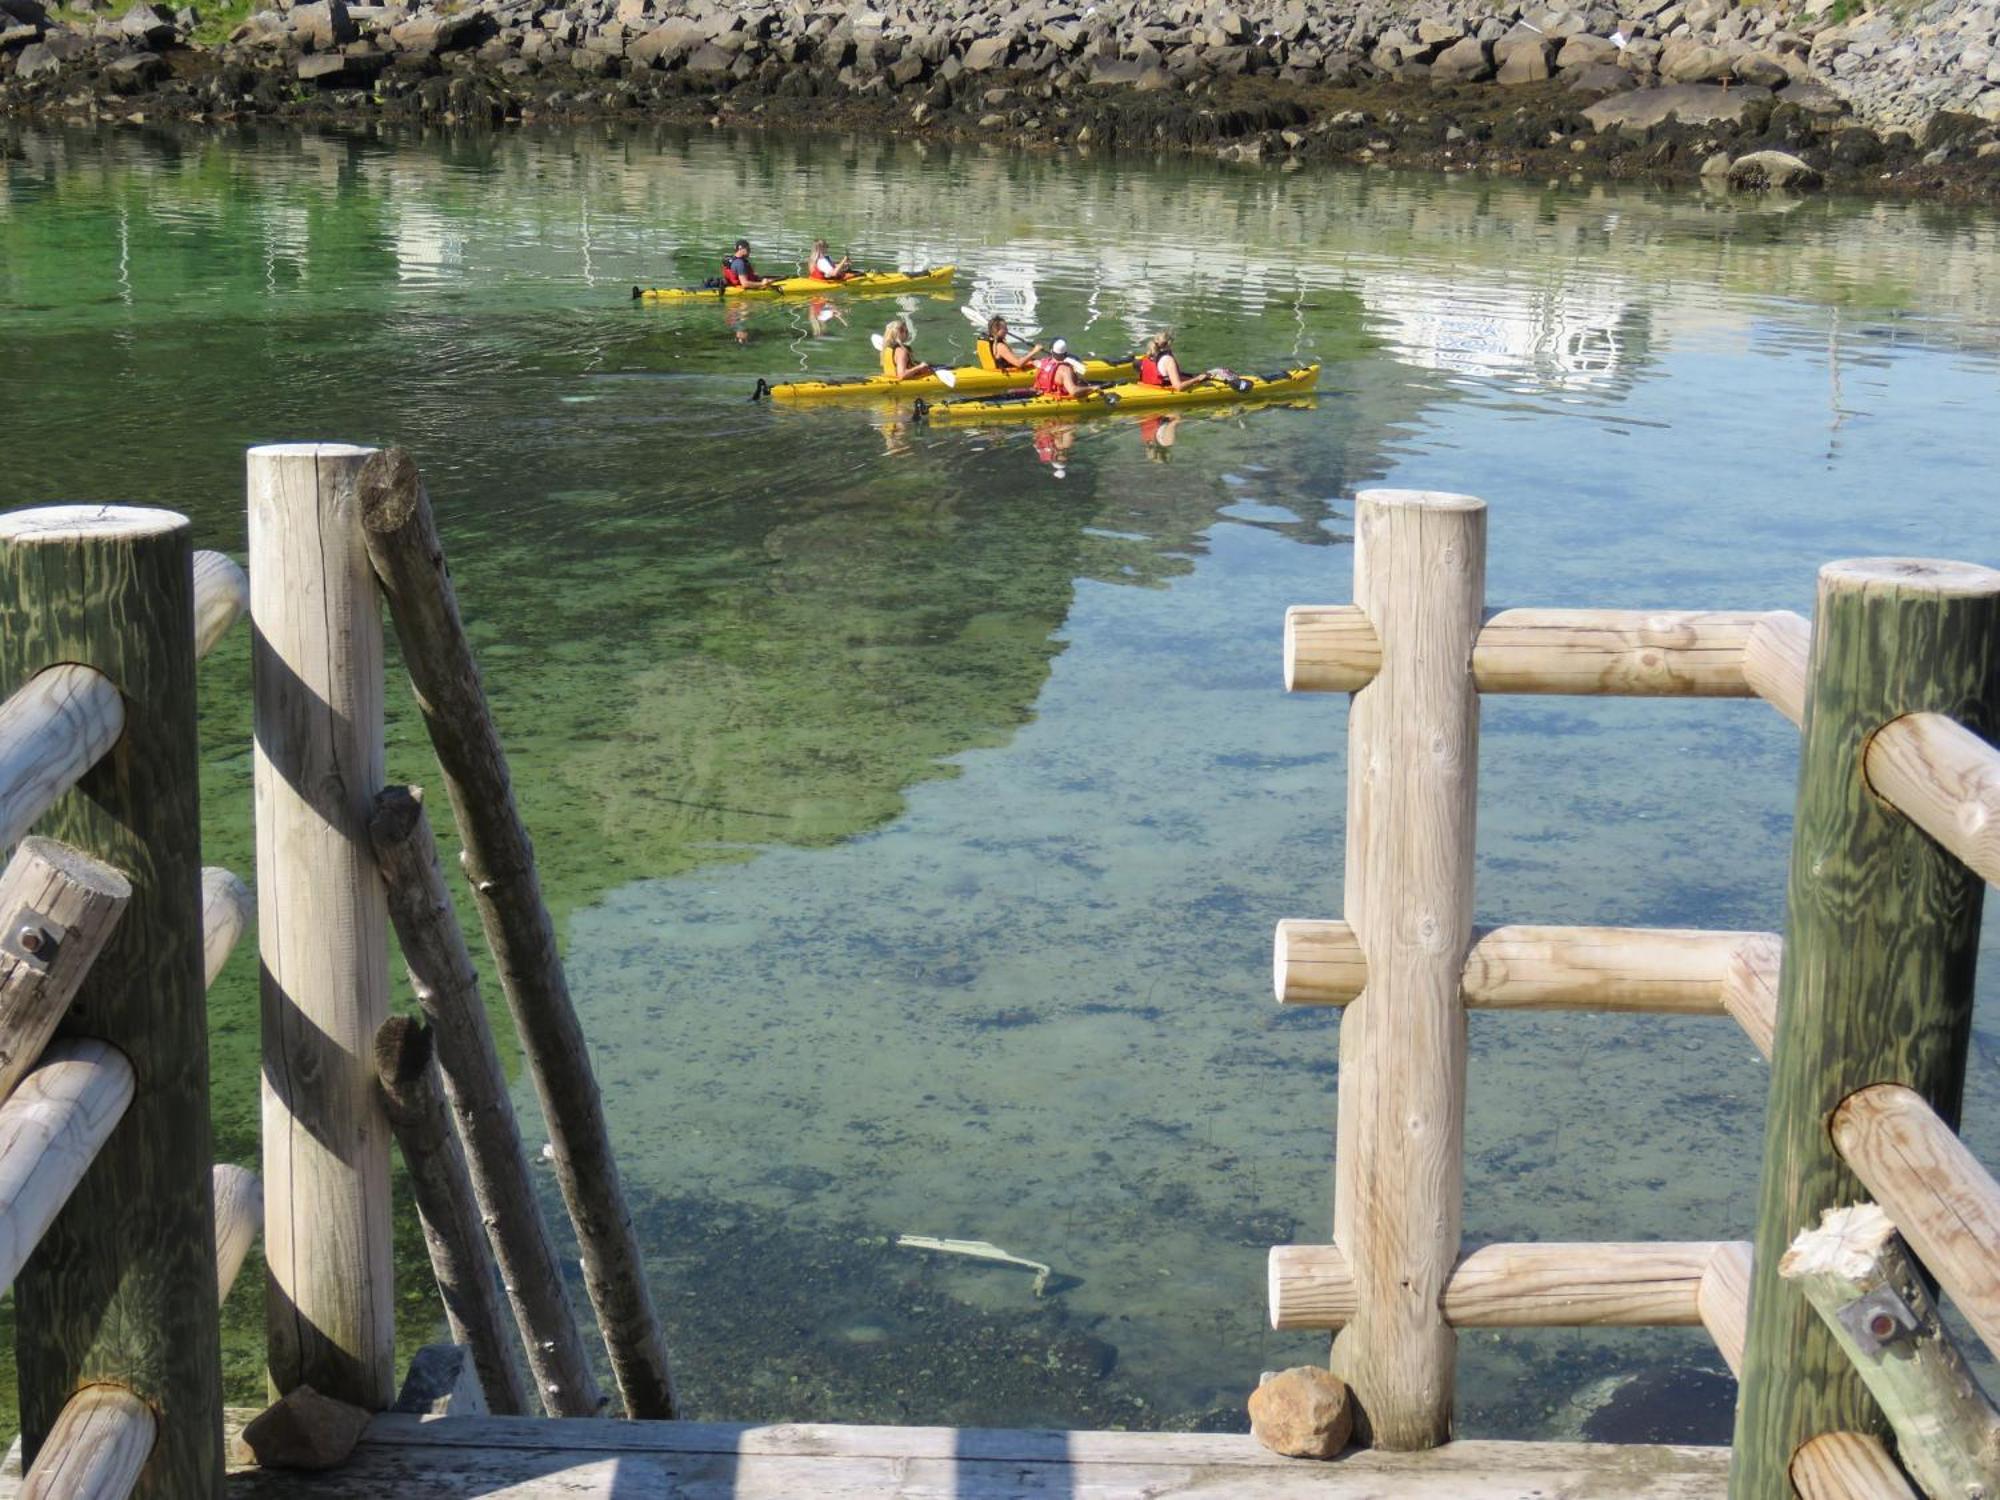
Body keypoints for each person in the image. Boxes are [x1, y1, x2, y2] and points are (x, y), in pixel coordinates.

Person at [1135, 331, 1236, 392]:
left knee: (1206, 374)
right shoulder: (1168, 360)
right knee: (1211, 373)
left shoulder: (1148, 355)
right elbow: (1178, 387)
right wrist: (1197, 379)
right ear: (1169, 344)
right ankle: (1231, 378)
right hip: (1164, 389)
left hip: (1150, 386)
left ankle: (1213, 374)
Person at [978, 315, 1042, 372]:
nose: (1007, 331)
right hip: (1009, 373)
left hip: (1003, 369)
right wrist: (1034, 351)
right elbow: (1018, 364)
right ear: (997, 330)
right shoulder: (1000, 346)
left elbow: (1012, 361)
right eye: (1005, 329)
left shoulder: (993, 341)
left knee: (1033, 360)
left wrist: (1030, 361)